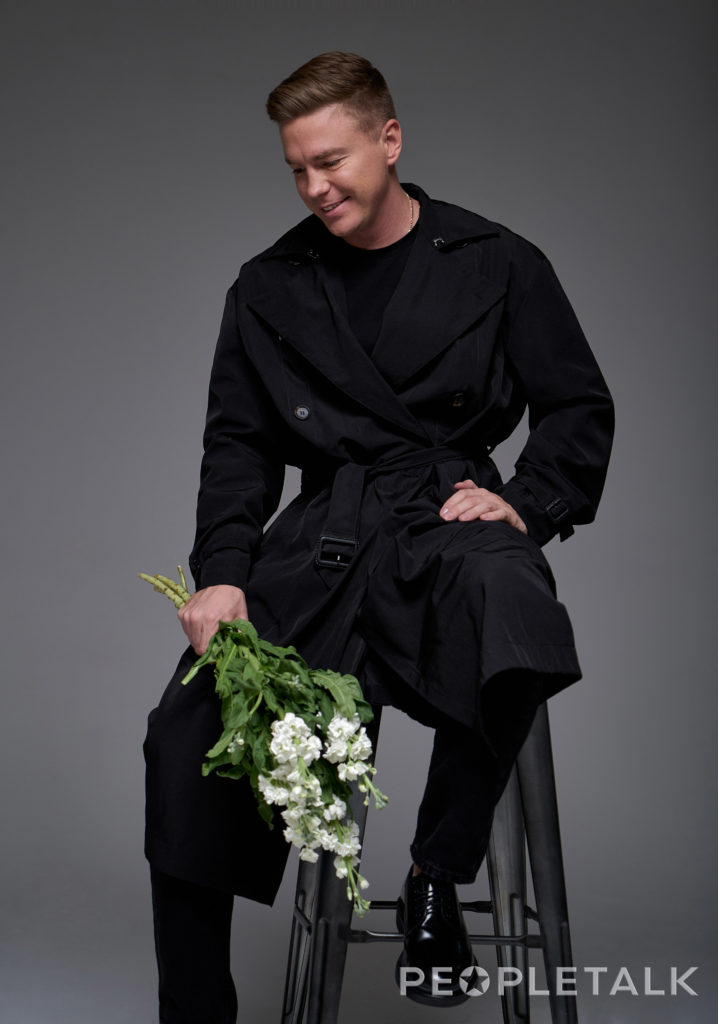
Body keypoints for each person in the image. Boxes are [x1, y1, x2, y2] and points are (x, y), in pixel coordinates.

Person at [144, 51, 614, 1020]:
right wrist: (222, 574)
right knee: (188, 729)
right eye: (296, 170)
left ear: (388, 140)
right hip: (321, 534)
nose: (315, 187)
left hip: (443, 516)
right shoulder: (268, 285)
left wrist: (528, 502)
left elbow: (576, 405)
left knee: (516, 609)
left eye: (331, 161)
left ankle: (437, 871)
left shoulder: (496, 261)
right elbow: (238, 448)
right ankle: (194, 1009)